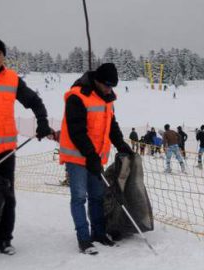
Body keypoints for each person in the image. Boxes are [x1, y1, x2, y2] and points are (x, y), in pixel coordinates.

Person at [59, 63, 135, 255]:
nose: (109, 89)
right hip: (77, 156)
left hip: (95, 158)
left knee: (97, 197)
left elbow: (111, 125)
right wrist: (90, 155)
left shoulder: (107, 100)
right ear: (97, 80)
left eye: (112, 86)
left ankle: (99, 234)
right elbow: (77, 131)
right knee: (79, 197)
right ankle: (84, 239)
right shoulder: (77, 96)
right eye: (107, 85)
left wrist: (121, 144)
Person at [0, 38, 55, 255]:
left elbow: (35, 101)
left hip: (6, 150)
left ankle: (3, 239)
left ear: (3, 55)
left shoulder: (12, 79)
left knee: (8, 196)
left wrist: (43, 122)